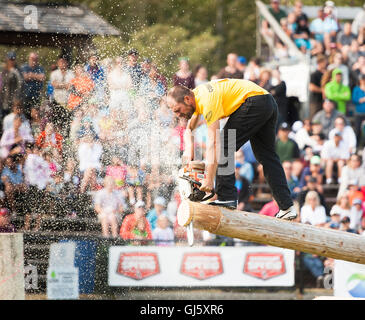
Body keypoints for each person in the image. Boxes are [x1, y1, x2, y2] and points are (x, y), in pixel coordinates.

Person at [167, 79, 297, 219]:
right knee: (267, 157)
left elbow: (214, 143)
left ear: (187, 99)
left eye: (178, 110)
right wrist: (189, 149)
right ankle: (287, 207)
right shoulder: (198, 94)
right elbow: (189, 128)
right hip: (267, 102)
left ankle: (226, 197)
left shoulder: (206, 100)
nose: (178, 115)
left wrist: (209, 180)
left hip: (254, 102)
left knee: (223, 145)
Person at [21, 52, 45, 120]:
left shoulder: (40, 68)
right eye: (32, 59)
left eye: (35, 59)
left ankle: (35, 129)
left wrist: (31, 75)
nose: (34, 60)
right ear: (29, 59)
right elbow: (24, 77)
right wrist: (36, 76)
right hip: (25, 95)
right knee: (25, 115)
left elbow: (42, 77)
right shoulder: (24, 67)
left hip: (36, 96)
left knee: (35, 115)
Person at [0, 52, 23, 122]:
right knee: (3, 120)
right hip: (4, 100)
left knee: (13, 120)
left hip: (14, 101)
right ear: (7, 60)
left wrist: (17, 98)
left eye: (13, 59)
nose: (11, 61)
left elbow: (20, 84)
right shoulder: (4, 71)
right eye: (10, 59)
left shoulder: (18, 71)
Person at [351, 74, 365, 145]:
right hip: (359, 112)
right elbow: (354, 99)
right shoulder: (356, 88)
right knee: (357, 130)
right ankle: (357, 145)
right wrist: (361, 99)